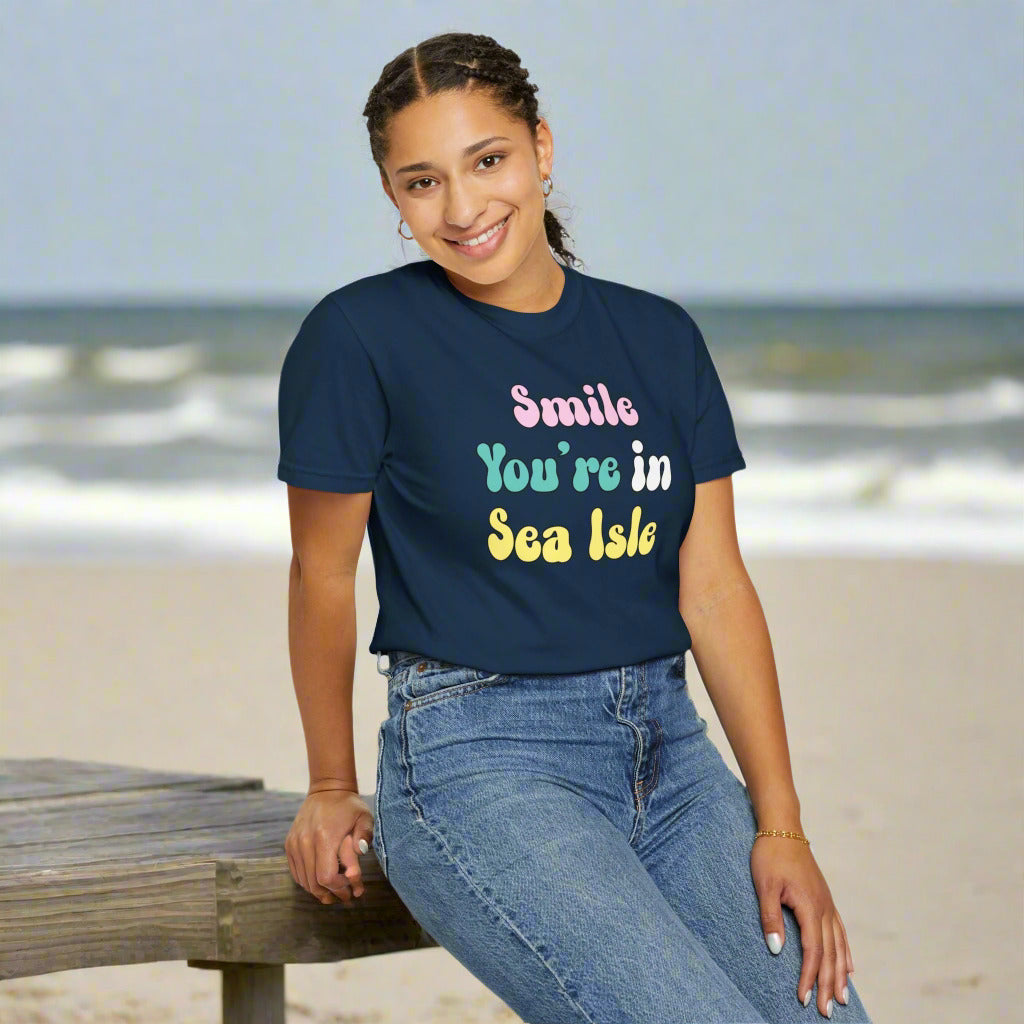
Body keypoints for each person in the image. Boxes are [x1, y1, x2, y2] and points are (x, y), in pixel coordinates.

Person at [276, 30, 873, 1024]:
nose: (462, 208)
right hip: (478, 763)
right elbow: (322, 574)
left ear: (541, 149)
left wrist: (781, 825)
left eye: (488, 161)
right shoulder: (360, 339)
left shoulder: (658, 339)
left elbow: (715, 586)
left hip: (672, 757)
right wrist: (331, 782)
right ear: (392, 197)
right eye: (421, 182)